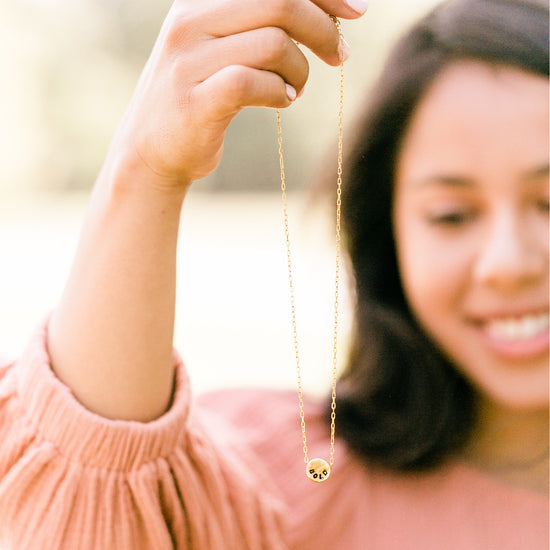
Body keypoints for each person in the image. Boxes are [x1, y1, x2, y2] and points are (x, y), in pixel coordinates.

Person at [0, 0, 547, 548]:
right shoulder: (286, 482)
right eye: (451, 215)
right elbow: (92, 508)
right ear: (390, 238)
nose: (508, 264)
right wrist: (146, 169)